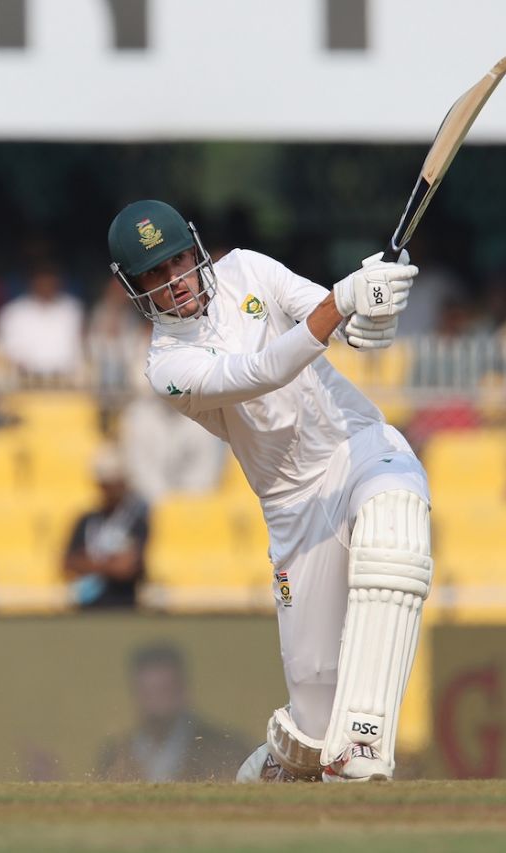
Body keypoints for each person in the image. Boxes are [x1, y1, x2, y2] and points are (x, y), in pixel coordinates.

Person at [107, 199, 429, 782]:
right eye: (154, 275)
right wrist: (346, 298)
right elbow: (261, 372)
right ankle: (277, 772)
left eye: (177, 261)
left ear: (197, 250)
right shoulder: (166, 366)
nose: (174, 281)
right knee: (311, 724)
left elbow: (345, 326)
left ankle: (364, 748)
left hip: (355, 445)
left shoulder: (250, 269)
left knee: (397, 515)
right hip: (292, 508)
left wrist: (377, 304)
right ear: (136, 289)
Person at [96, 644, 248, 782]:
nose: (156, 704)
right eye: (148, 693)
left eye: (164, 691)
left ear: (184, 692)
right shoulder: (115, 756)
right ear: (135, 694)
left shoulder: (225, 752)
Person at [62, 446, 150, 609]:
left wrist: (90, 561)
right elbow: (68, 563)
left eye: (114, 483)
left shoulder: (136, 522)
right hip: (86, 608)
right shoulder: (86, 520)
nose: (111, 491)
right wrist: (109, 563)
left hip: (123, 606)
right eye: (106, 484)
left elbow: (127, 568)